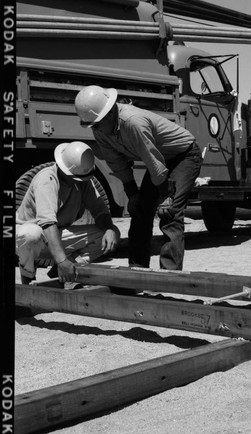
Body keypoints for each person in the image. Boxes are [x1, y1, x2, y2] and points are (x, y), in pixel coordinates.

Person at [74, 85, 202, 271]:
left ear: (109, 114)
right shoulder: (100, 129)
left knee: (170, 212)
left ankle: (170, 275)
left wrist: (166, 195)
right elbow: (117, 164)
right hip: (161, 159)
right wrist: (133, 194)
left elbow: (153, 162)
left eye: (98, 124)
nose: (96, 129)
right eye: (93, 125)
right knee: (140, 209)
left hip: (185, 156)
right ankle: (137, 269)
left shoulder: (133, 122)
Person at [16, 141, 120, 289]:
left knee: (108, 233)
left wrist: (109, 229)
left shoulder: (82, 179)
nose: (82, 181)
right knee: (30, 235)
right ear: (66, 171)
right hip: (31, 237)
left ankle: (67, 268)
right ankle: (27, 279)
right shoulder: (47, 180)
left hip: (56, 234)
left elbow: (100, 211)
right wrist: (61, 260)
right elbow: (47, 223)